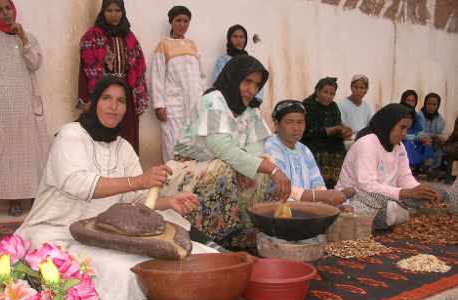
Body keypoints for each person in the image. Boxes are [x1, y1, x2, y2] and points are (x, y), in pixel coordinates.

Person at [16, 77, 215, 300]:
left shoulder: (124, 147)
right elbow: (77, 184)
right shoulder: (70, 134)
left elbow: (137, 200)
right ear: (94, 103)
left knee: (166, 245)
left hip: (103, 232)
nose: (114, 106)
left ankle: (214, 256)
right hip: (55, 230)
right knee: (121, 272)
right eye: (106, 98)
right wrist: (138, 181)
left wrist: (167, 201)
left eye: (121, 101)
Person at [160, 55, 291, 247]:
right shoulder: (213, 100)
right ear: (234, 77)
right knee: (226, 169)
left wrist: (267, 168)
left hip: (229, 165)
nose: (251, 90)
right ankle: (213, 237)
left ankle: (247, 233)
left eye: (256, 85)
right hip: (186, 169)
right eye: (247, 81)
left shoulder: (251, 109)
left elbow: (257, 149)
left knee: (264, 169)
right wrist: (269, 169)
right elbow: (221, 147)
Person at [0, 0, 50, 216]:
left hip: (27, 102)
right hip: (2, 105)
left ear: (14, 9)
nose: (5, 13)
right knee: (6, 152)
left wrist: (22, 38)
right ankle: (13, 200)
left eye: (8, 8)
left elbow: (34, 64)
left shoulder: (28, 38)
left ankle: (33, 196)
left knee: (31, 151)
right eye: (0, 10)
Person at [336, 103, 440, 230]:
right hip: (357, 198)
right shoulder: (367, 143)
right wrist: (404, 193)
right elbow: (367, 186)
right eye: (401, 127)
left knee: (428, 198)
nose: (404, 134)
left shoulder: (399, 146)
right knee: (386, 209)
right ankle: (394, 216)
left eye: (407, 129)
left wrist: (420, 190)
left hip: (387, 198)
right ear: (388, 124)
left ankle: (396, 215)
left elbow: (404, 177)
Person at [79, 0, 148, 153]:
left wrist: (140, 98)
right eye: (109, 10)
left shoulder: (130, 38)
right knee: (104, 135)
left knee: (128, 136)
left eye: (117, 10)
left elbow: (139, 69)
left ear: (122, 12)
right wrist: (85, 99)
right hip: (103, 93)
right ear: (103, 12)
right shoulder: (92, 36)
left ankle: (130, 174)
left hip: (126, 95)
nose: (114, 14)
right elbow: (85, 69)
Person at [265, 99, 352, 205]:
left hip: (307, 207)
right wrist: (321, 196)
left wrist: (331, 201)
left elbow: (318, 184)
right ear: (277, 124)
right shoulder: (271, 146)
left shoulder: (304, 149)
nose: (296, 128)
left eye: (300, 122)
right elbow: (282, 189)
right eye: (289, 122)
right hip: (279, 209)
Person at [150, 5, 205, 163]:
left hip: (195, 102)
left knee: (194, 142)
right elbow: (157, 76)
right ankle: (171, 182)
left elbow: (201, 76)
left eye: (186, 21)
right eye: (178, 20)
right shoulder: (164, 45)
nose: (182, 24)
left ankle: (190, 182)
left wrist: (203, 100)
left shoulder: (192, 45)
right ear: (171, 22)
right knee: (172, 143)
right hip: (173, 104)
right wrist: (159, 105)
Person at [301, 77, 353, 188]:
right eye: (325, 92)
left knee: (340, 150)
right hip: (311, 142)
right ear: (317, 91)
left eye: (332, 94)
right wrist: (332, 130)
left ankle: (334, 187)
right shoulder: (307, 105)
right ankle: (317, 188)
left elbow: (338, 126)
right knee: (318, 150)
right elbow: (307, 131)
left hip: (331, 143)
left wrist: (344, 132)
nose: (328, 96)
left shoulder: (334, 107)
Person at [211, 24, 264, 101]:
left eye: (241, 37)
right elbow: (217, 83)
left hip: (248, 103)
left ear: (245, 40)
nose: (238, 40)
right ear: (229, 39)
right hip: (228, 103)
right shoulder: (222, 61)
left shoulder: (251, 62)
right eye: (235, 36)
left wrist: (255, 102)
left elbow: (259, 84)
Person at [399, 90, 434, 173]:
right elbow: (401, 135)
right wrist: (416, 137)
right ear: (403, 100)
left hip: (414, 140)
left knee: (427, 142)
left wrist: (423, 137)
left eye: (413, 101)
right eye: (408, 100)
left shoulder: (415, 115)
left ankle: (426, 166)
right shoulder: (398, 112)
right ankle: (410, 166)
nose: (410, 103)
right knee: (407, 143)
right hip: (402, 140)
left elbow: (419, 130)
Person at [416, 93, 446, 173]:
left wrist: (440, 138)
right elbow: (419, 133)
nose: (431, 107)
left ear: (438, 105)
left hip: (434, 142)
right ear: (425, 103)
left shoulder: (440, 119)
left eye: (434, 104)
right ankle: (424, 167)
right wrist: (433, 135)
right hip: (420, 142)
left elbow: (441, 133)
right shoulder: (419, 116)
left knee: (439, 148)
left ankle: (432, 169)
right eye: (429, 104)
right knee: (427, 143)